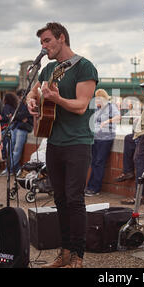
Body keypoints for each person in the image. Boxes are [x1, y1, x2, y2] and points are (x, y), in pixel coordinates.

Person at [26, 22, 98, 268]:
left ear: (62, 38)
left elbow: (80, 106)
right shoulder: (47, 70)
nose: (44, 47)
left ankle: (78, 255)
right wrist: (31, 100)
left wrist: (57, 98)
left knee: (75, 199)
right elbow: (34, 92)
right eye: (42, 43)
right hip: (54, 141)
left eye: (47, 41)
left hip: (78, 143)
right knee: (60, 199)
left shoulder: (84, 67)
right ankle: (64, 252)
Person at [85, 89, 120, 196]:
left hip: (105, 138)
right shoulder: (96, 108)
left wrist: (106, 121)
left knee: (99, 162)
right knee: (94, 162)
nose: (96, 101)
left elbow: (118, 117)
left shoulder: (110, 107)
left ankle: (95, 188)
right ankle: (90, 186)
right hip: (95, 138)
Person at [9, 89, 34, 174]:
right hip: (17, 127)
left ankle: (10, 169)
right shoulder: (20, 105)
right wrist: (20, 117)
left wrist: (19, 116)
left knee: (17, 149)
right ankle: (14, 168)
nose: (20, 98)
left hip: (24, 128)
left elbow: (27, 115)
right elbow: (15, 116)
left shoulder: (29, 104)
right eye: (19, 96)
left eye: (21, 96)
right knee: (10, 147)